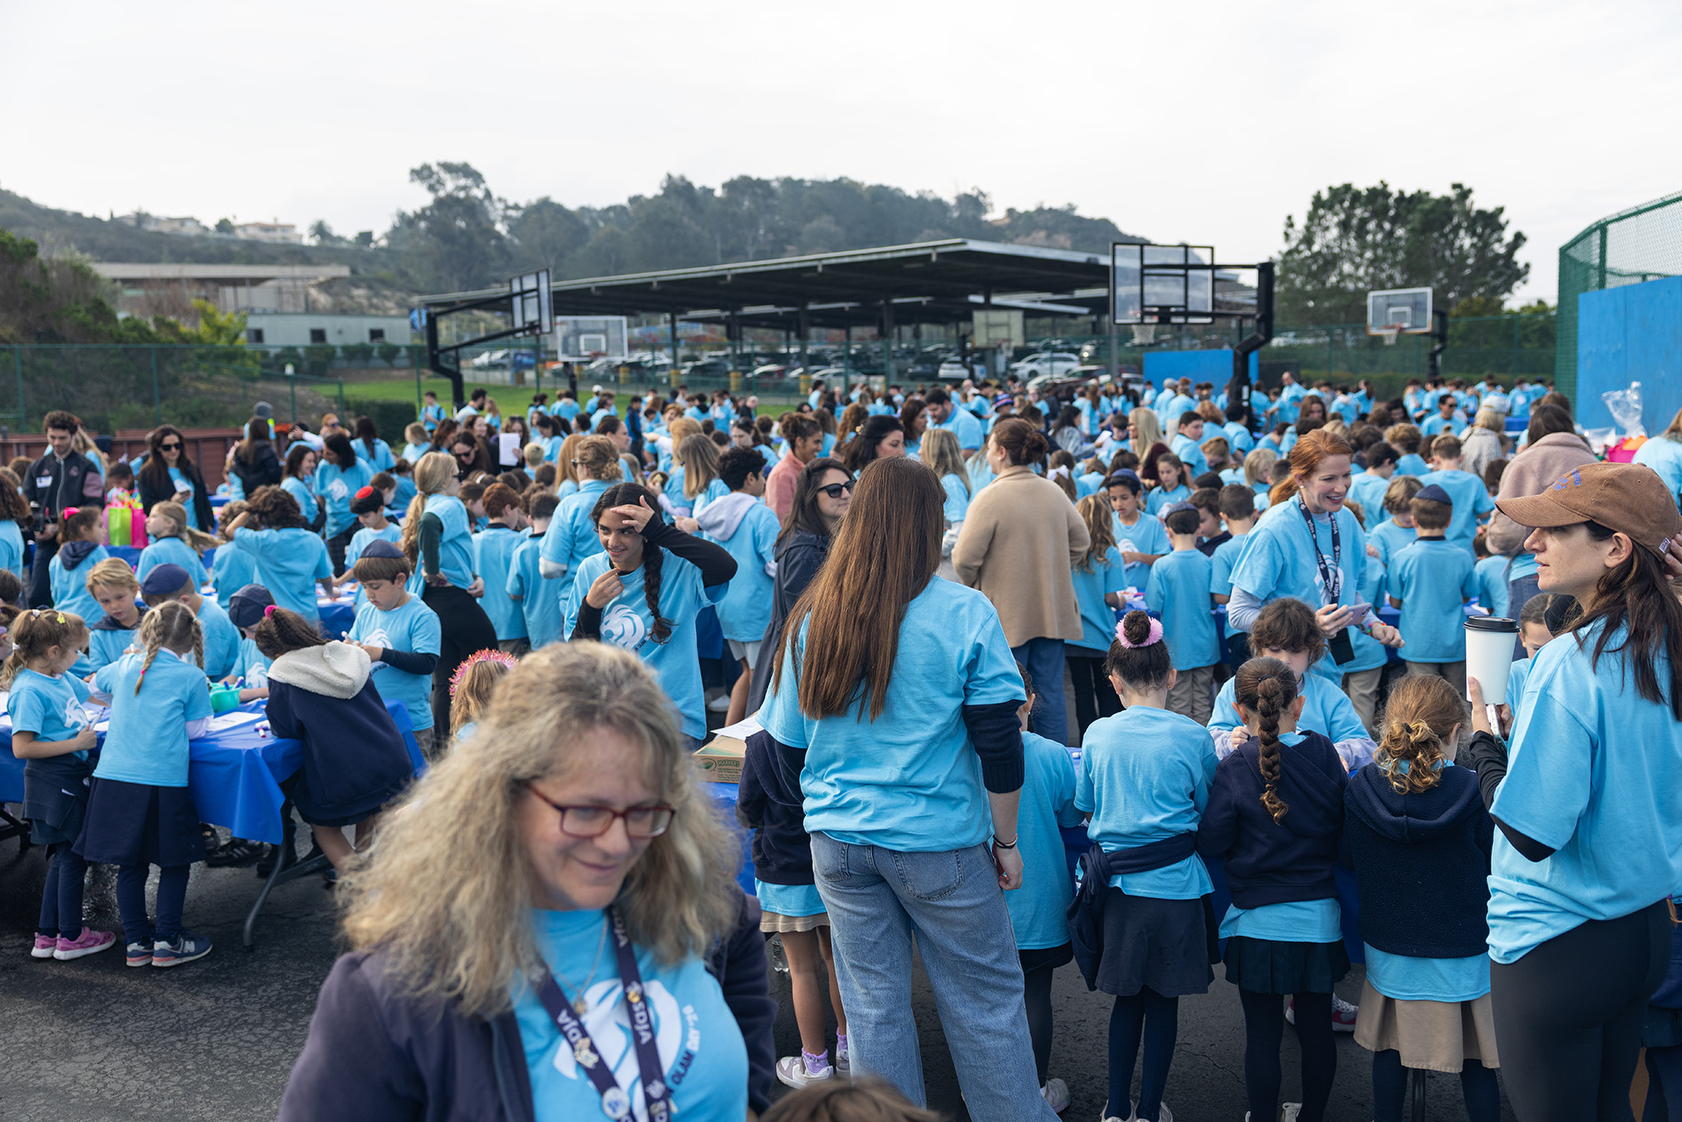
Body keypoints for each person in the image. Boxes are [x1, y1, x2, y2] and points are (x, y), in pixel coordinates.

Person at [279, 643, 768, 1120]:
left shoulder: (710, 915)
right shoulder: (391, 996)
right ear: (503, 798)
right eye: (584, 810)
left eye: (644, 810)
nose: (619, 843)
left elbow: (749, 1093)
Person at [757, 456, 1055, 1121]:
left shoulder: (815, 616)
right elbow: (999, 743)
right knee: (984, 1006)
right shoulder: (965, 613)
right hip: (938, 843)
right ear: (929, 526)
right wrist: (1006, 841)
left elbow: (781, 750)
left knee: (872, 1010)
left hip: (839, 842)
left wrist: (826, 809)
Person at [1460, 462, 1682, 1122]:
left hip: (1557, 941)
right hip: (1643, 931)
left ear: (1615, 548)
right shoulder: (1669, 643)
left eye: (1554, 531)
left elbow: (1530, 832)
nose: (1532, 543)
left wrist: (1485, 749)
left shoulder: (1569, 660)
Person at [1070, 610, 1217, 1122]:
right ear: (1172, 676)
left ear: (1113, 682)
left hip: (1119, 893)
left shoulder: (1097, 735)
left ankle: (1114, 1108)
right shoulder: (1194, 737)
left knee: (1125, 1002)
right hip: (1176, 890)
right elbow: (1206, 806)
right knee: (1163, 1004)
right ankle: (1150, 1111)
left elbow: (1082, 802)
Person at [1343, 674, 1501, 1122]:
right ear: (1456, 734)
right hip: (1465, 948)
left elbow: (1347, 857)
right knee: (1478, 1063)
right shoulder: (1474, 792)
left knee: (1389, 1052)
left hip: (1389, 948)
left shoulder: (1361, 789)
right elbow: (1496, 862)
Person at [1198, 657, 1349, 1122]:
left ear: (1241, 712)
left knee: (1261, 1037)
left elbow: (1212, 841)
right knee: (1316, 1034)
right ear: (1299, 705)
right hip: (1319, 923)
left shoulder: (1237, 766)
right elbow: (1345, 831)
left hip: (1257, 925)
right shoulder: (1325, 753)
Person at [1226, 429, 1403, 726]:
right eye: (1329, 479)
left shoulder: (1346, 521)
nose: (1341, 487)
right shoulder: (1275, 529)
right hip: (1280, 684)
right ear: (1301, 479)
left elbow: (1346, 593)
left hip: (1329, 677)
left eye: (1346, 475)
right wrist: (1307, 627)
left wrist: (1374, 626)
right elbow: (1238, 612)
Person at [76, 601, 215, 968]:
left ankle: (137, 943)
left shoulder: (124, 666)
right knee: (174, 861)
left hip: (114, 778)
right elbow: (196, 729)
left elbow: (94, 687)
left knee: (130, 864)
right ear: (189, 641)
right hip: (162, 780)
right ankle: (169, 940)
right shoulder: (191, 677)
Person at [563, 483, 737, 748]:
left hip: (674, 724)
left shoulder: (678, 568)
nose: (613, 541)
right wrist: (591, 606)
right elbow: (578, 655)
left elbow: (725, 566)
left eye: (626, 531)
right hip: (613, 722)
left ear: (644, 531)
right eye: (604, 530)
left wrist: (660, 531)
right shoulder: (590, 570)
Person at [953, 418, 1089, 746]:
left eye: (989, 450)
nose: (985, 456)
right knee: (1051, 693)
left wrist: (983, 581)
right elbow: (1081, 541)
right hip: (1052, 611)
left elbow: (963, 560)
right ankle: (1056, 763)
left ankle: (1020, 771)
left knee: (1011, 697)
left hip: (1005, 615)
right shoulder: (1053, 491)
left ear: (1001, 452)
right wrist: (1052, 569)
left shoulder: (990, 497)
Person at [256, 606, 416, 873]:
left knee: (323, 826)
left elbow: (285, 728)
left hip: (340, 771)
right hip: (388, 755)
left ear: (273, 652)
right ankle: (398, 885)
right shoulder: (347, 654)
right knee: (387, 818)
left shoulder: (283, 671)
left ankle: (360, 886)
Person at [738, 724, 853, 1090]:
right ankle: (851, 1051)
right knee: (839, 963)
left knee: (802, 971)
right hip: (833, 861)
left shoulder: (761, 744)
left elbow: (747, 810)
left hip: (783, 873)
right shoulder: (838, 729)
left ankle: (814, 1063)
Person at [994, 663, 1080, 1114]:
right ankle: (1036, 1090)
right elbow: (1071, 818)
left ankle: (985, 1086)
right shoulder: (1051, 754)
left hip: (982, 902)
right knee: (1035, 995)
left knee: (982, 1001)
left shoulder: (964, 751)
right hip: (1041, 901)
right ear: (1030, 701)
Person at [6, 607, 114, 962]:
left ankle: (47, 934)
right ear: (54, 652)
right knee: (72, 857)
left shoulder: (58, 676)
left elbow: (92, 695)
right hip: (52, 780)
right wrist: (76, 744)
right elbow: (22, 748)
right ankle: (71, 936)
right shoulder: (29, 690)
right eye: (76, 652)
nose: (79, 658)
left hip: (68, 777)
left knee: (63, 856)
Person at [1207, 597, 1376, 769]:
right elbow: (1209, 740)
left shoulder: (1329, 694)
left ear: (1312, 651)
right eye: (1275, 649)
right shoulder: (1235, 688)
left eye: (1296, 650)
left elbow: (1365, 746)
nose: (1285, 659)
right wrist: (1229, 741)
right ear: (1259, 648)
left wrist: (1337, 753)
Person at [398, 451, 497, 734]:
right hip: (452, 600)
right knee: (489, 668)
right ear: (443, 480)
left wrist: (472, 576)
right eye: (457, 475)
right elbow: (430, 524)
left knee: (447, 680)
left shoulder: (428, 503)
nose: (460, 480)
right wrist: (432, 566)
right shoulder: (450, 504)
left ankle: (444, 746)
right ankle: (491, 737)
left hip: (435, 601)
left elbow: (451, 549)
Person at [746, 457, 852, 715]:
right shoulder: (808, 552)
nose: (846, 494)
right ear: (811, 497)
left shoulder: (820, 539)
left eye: (850, 485)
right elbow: (808, 623)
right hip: (796, 663)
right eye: (834, 490)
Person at [1483, 404, 1596, 633]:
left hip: (1534, 571)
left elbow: (1508, 532)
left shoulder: (1526, 462)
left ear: (1532, 431)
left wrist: (1492, 539)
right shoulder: (1593, 460)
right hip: (1588, 576)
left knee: (1531, 658)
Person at [692, 448, 780, 726]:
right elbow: (775, 564)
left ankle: (727, 738)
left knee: (747, 672)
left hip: (727, 606)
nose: (765, 481)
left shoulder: (713, 514)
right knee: (761, 679)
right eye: (762, 475)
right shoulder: (762, 515)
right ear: (751, 477)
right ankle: (748, 748)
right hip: (758, 608)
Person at [343, 540, 443, 760]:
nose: (369, 594)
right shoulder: (367, 611)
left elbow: (427, 663)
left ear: (400, 580)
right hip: (373, 718)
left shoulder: (422, 616)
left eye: (375, 586)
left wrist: (381, 654)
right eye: (364, 586)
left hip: (411, 722)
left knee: (415, 788)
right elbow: (354, 642)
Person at [1388, 483, 1478, 693]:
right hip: (1455, 643)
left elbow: (1395, 601)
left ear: (1415, 520)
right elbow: (1467, 596)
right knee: (1457, 703)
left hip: (1418, 643)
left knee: (1424, 705)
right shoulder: (1463, 556)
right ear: (1449, 521)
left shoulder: (1402, 557)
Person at [23, 411, 108, 607]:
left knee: (80, 599)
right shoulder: (37, 467)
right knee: (38, 599)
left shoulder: (87, 467)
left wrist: (64, 527)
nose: (57, 442)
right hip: (46, 543)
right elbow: (24, 506)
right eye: (52, 437)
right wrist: (37, 525)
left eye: (62, 438)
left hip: (78, 544)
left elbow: (95, 506)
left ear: (73, 436)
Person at [1145, 503, 1219, 724]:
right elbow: (1216, 601)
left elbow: (1153, 604)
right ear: (1198, 529)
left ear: (1168, 532)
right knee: (1203, 702)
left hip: (1175, 646)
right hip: (1206, 645)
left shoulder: (1162, 566)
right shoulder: (1208, 563)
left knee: (1178, 705)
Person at [226, 487, 335, 628]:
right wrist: (330, 592)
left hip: (273, 618)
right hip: (307, 617)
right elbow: (325, 577)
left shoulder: (263, 541)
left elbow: (231, 530)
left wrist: (251, 509)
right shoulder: (314, 540)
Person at [1067, 495, 1126, 735]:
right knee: (1107, 690)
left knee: (1082, 692)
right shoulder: (1110, 553)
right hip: (1101, 635)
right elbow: (1111, 598)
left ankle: (1087, 739)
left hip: (1073, 635)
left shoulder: (1070, 553)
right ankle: (1109, 738)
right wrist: (1123, 600)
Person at [540, 434, 621, 583]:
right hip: (629, 597)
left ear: (584, 467)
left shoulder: (571, 506)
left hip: (582, 595)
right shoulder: (635, 498)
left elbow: (551, 567)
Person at [138, 563, 240, 680]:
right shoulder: (189, 611)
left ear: (184, 600)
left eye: (161, 609)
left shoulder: (211, 624)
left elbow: (200, 679)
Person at [470, 482, 529, 655]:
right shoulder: (519, 541)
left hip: (479, 621)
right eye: (517, 511)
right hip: (513, 624)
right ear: (508, 509)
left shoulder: (473, 542)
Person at [1417, 435, 1496, 555]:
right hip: (1465, 548)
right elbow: (1485, 513)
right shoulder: (1473, 481)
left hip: (1431, 547)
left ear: (1436, 459)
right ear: (1461, 458)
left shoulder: (1423, 481)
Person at [506, 490, 563, 651]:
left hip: (538, 629)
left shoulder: (521, 552)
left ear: (530, 518)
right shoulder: (564, 549)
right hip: (565, 627)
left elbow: (514, 592)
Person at [136, 424, 213, 533]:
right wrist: (171, 503)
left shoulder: (191, 468)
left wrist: (209, 523)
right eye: (167, 447)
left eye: (177, 446)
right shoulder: (147, 474)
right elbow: (148, 507)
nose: (173, 450)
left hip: (195, 532)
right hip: (166, 535)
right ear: (158, 448)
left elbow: (204, 498)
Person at [46, 507, 107, 624]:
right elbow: (111, 581)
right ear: (84, 529)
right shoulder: (98, 552)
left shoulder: (56, 559)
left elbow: (55, 593)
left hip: (63, 618)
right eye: (100, 526)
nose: (105, 530)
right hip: (93, 618)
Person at [84, 559, 146, 673]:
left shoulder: (156, 621)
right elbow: (98, 674)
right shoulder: (98, 635)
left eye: (119, 597)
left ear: (134, 589)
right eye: (105, 601)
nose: (114, 606)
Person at [137, 499, 215, 585]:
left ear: (169, 523)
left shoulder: (151, 552)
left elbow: (141, 584)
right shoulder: (190, 550)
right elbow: (204, 581)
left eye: (153, 516)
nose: (147, 520)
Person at [229, 418, 285, 499]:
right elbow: (275, 474)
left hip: (247, 494)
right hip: (265, 495)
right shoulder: (267, 449)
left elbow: (236, 471)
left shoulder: (241, 449)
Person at [838, 415, 906, 474]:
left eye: (902, 445)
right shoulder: (855, 482)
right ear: (873, 445)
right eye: (894, 444)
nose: (902, 452)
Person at [281, 442, 323, 532]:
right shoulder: (294, 486)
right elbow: (300, 518)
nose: (313, 465)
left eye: (313, 461)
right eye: (309, 461)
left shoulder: (300, 483)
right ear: (298, 461)